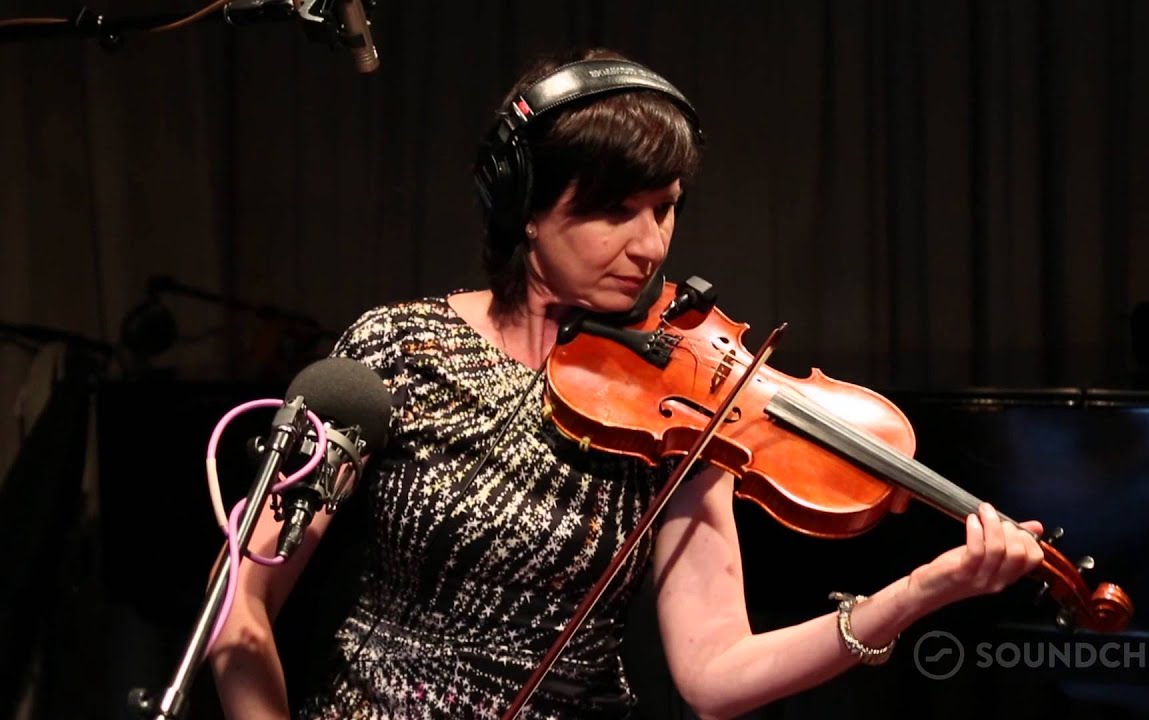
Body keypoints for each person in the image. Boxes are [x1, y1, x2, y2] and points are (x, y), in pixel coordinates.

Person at [208, 47, 1045, 719]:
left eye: (665, 207)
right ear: (526, 208)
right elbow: (238, 606)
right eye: (614, 212)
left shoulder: (681, 406)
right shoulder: (398, 348)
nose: (650, 246)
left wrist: (914, 594)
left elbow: (716, 676)